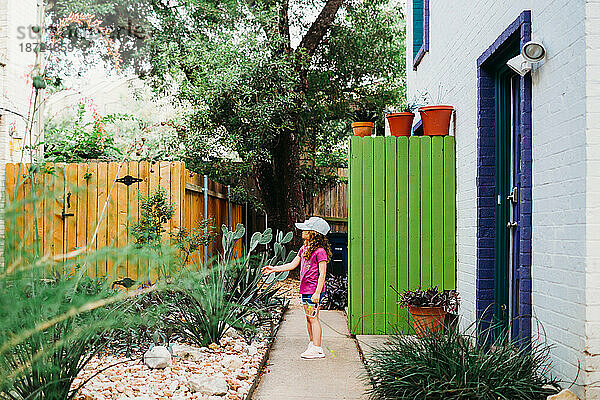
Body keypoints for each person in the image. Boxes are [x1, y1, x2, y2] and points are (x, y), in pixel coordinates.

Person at [262, 216, 332, 359]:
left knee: (313, 318)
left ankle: (318, 349)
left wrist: (317, 293)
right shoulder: (304, 248)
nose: (302, 231)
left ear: (314, 232)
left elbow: (322, 274)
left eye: (306, 229)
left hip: (313, 291)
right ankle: (312, 343)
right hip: (306, 290)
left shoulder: (320, 252)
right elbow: (292, 265)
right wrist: (273, 269)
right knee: (308, 318)